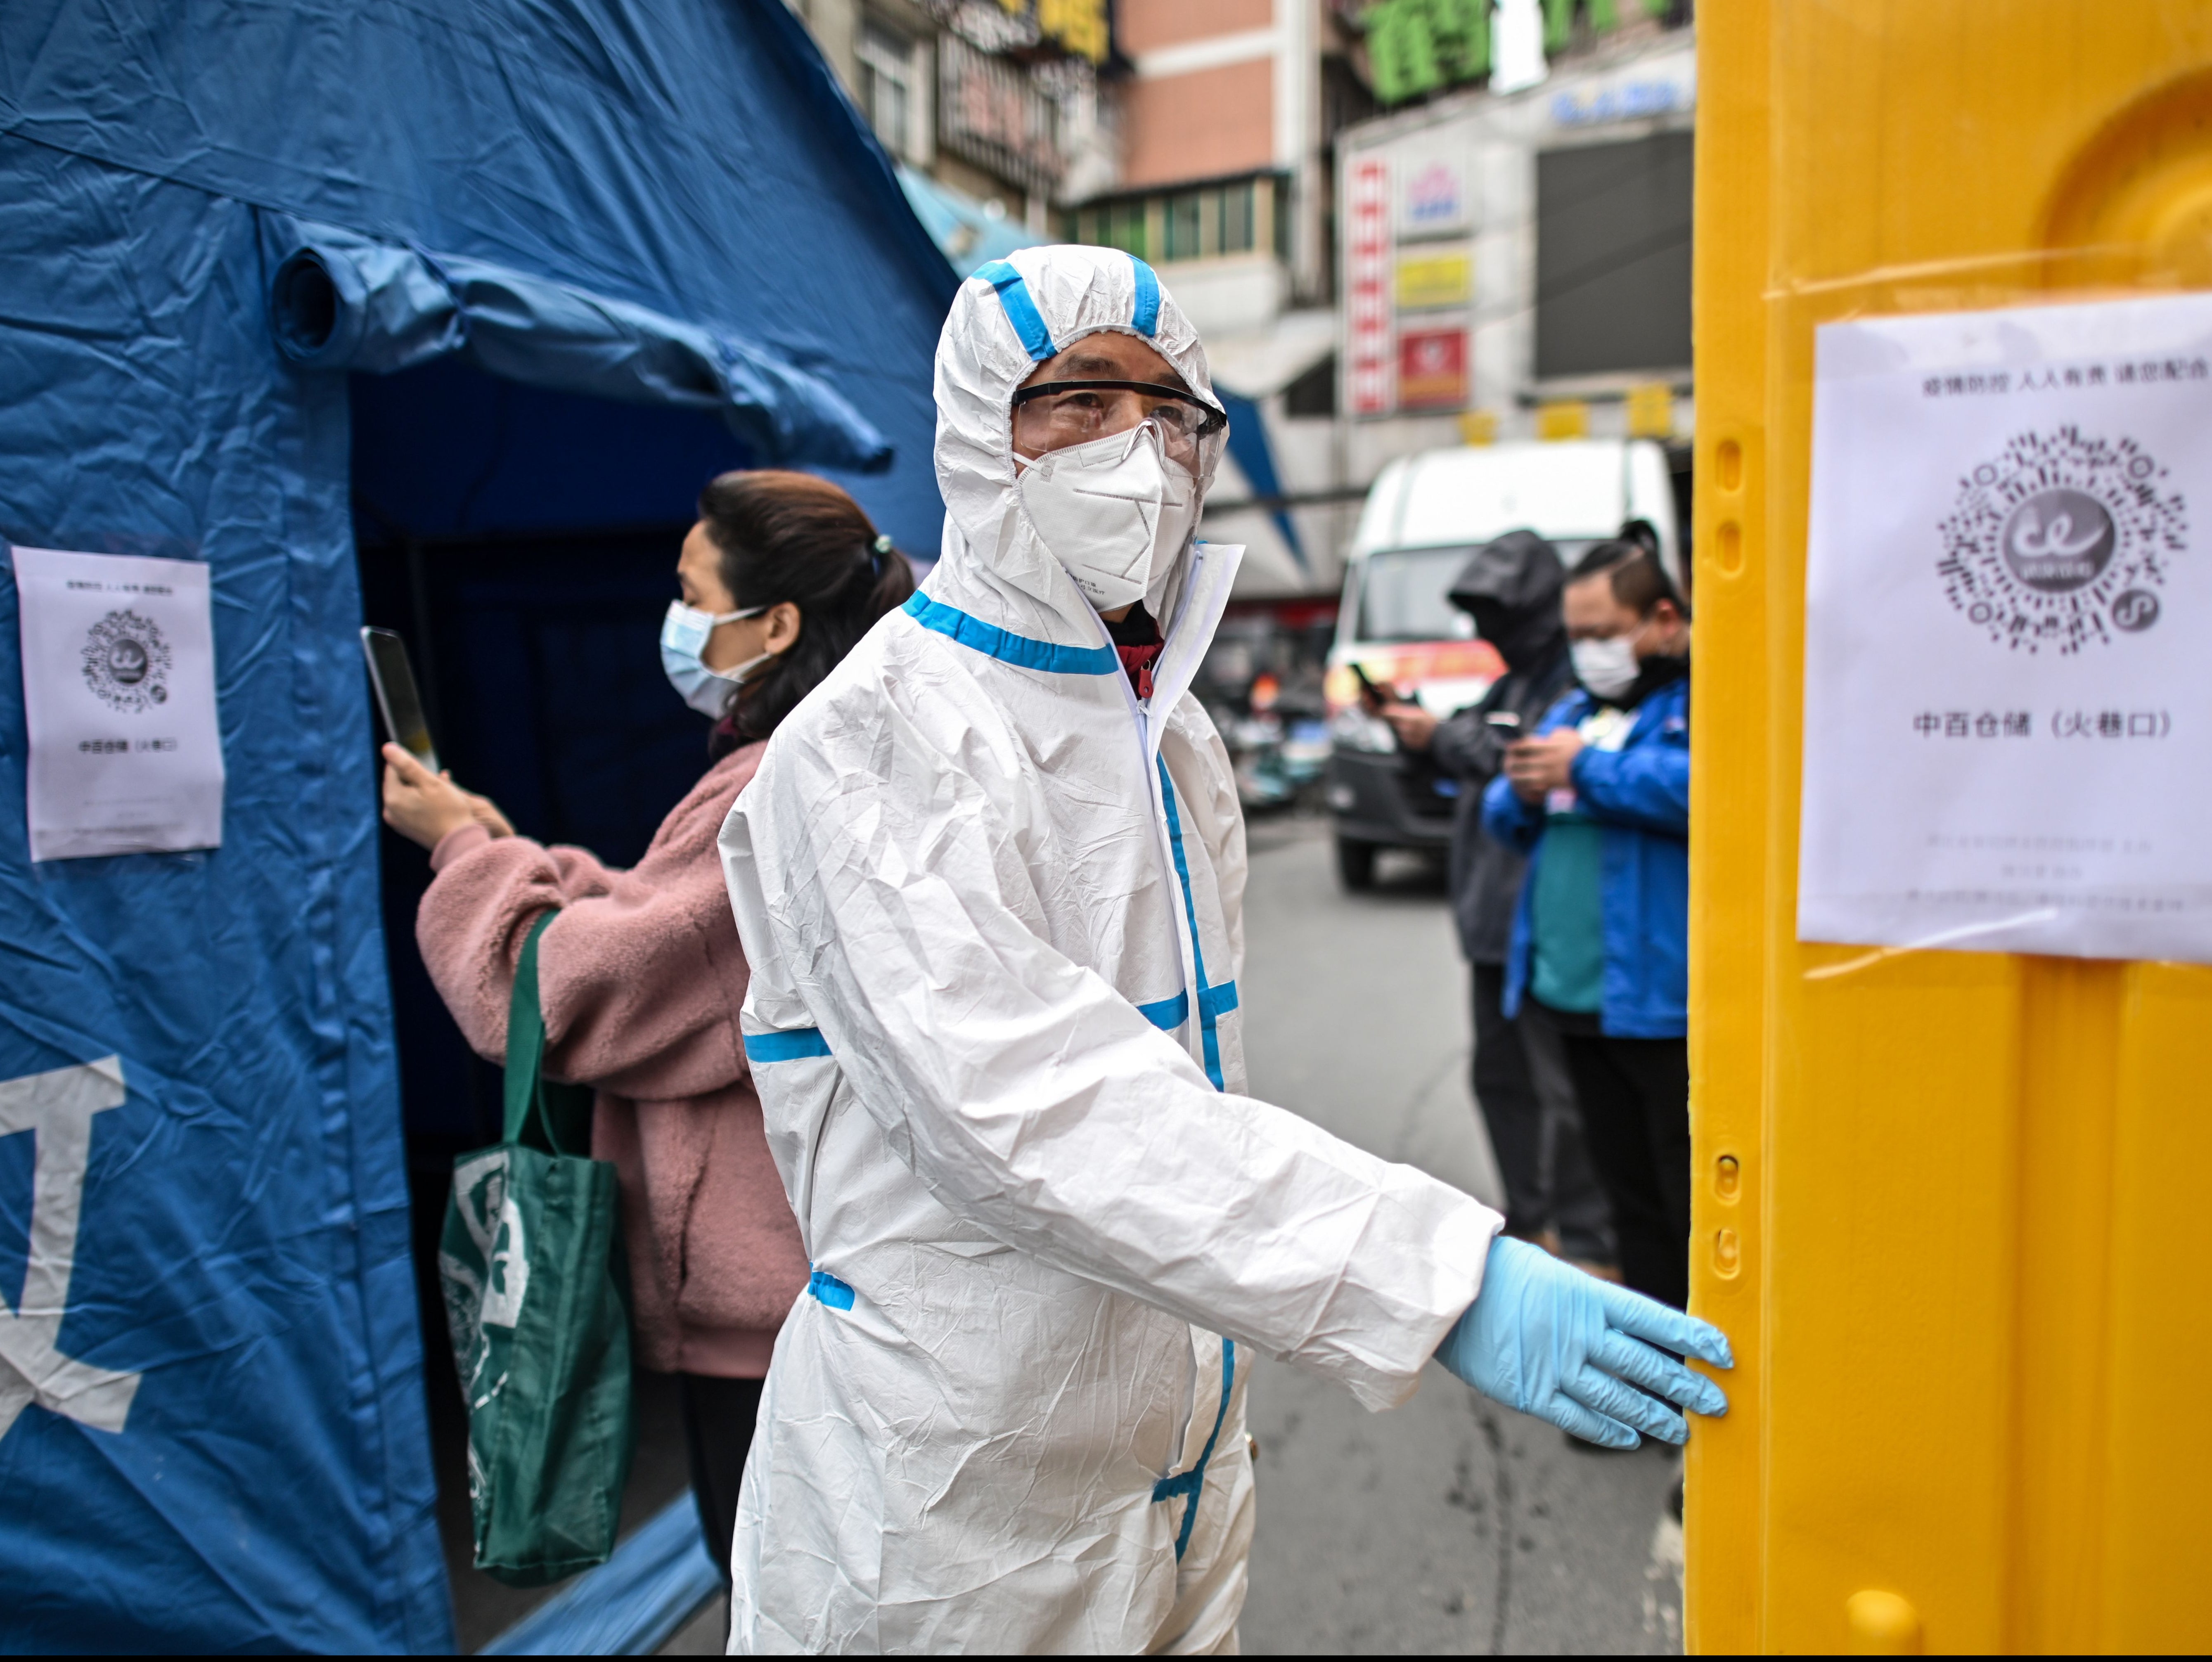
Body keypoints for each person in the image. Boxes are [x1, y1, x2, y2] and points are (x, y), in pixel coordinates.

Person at [717, 246, 1729, 1654]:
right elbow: (1023, 1103)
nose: (1132, 444)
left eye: (1169, 408)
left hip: (1178, 1454)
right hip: (951, 1499)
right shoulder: (877, 734)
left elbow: (1186, 1112)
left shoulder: (1172, 732)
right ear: (974, 428)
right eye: (1074, 399)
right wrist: (1427, 1272)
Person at [377, 469, 915, 1580]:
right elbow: (684, 940)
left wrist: (463, 859)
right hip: (830, 1301)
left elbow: (571, 994)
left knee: (794, 1615)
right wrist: (509, 848)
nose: (672, 621)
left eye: (688, 591)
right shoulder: (841, 759)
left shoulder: (779, 787)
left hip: (786, 1332)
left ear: (771, 624)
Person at [1376, 530, 1615, 1275]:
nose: (1488, 632)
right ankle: (1535, 1219)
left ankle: (1586, 1238)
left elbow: (1516, 755)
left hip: (1537, 917)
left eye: (1499, 613)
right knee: (1502, 1076)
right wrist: (1427, 735)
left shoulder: (1566, 677)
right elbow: (1482, 743)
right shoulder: (1514, 680)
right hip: (1492, 919)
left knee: (1561, 1086)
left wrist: (1442, 737)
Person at [1480, 539, 1693, 1312]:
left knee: (1686, 1199)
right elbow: (1502, 820)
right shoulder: (1575, 709)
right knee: (1622, 1194)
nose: (1587, 651)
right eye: (1576, 634)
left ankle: (1707, 1380)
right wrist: (1522, 789)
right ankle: (1656, 1369)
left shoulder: (1696, 704)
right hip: (1573, 996)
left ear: (1662, 619)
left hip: (1661, 1003)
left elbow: (1709, 794)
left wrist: (1586, 771)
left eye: (1604, 631)